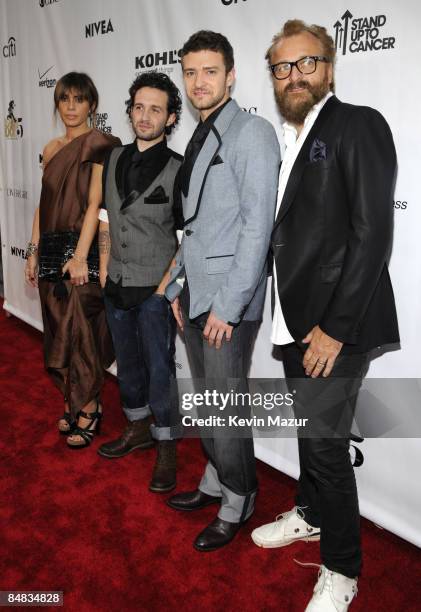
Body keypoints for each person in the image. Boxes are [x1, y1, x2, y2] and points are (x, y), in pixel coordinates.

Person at [251, 20, 399, 611]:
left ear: (328, 68)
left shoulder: (356, 123)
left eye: (305, 63)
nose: (294, 76)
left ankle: (343, 567)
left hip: (336, 326)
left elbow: (372, 234)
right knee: (315, 442)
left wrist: (335, 330)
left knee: (325, 449)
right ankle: (312, 514)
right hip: (295, 322)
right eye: (282, 68)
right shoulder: (289, 139)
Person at [165, 30, 280, 551]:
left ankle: (240, 497)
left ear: (231, 76)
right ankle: (216, 479)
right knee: (208, 402)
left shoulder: (251, 132)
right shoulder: (201, 134)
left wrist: (228, 308)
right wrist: (176, 285)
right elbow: (196, 224)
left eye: (209, 71)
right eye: (190, 72)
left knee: (225, 405)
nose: (198, 82)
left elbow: (257, 228)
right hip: (196, 292)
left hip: (228, 300)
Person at [96, 72, 183, 493]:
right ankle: (137, 428)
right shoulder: (112, 158)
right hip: (116, 283)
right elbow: (106, 217)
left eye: (156, 109)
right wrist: (103, 267)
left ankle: (166, 444)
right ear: (130, 110)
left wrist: (166, 287)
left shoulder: (178, 168)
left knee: (159, 369)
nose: (145, 115)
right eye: (139, 106)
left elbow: (188, 236)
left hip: (155, 289)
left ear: (169, 118)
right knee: (127, 364)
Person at [24, 72, 121, 449]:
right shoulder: (50, 150)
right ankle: (73, 398)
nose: (70, 106)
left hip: (82, 249)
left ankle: (90, 405)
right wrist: (33, 251)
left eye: (78, 99)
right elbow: (42, 204)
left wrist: (81, 256)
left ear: (91, 105)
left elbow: (97, 205)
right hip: (50, 248)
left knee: (80, 326)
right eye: (64, 99)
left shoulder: (101, 145)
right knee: (56, 327)